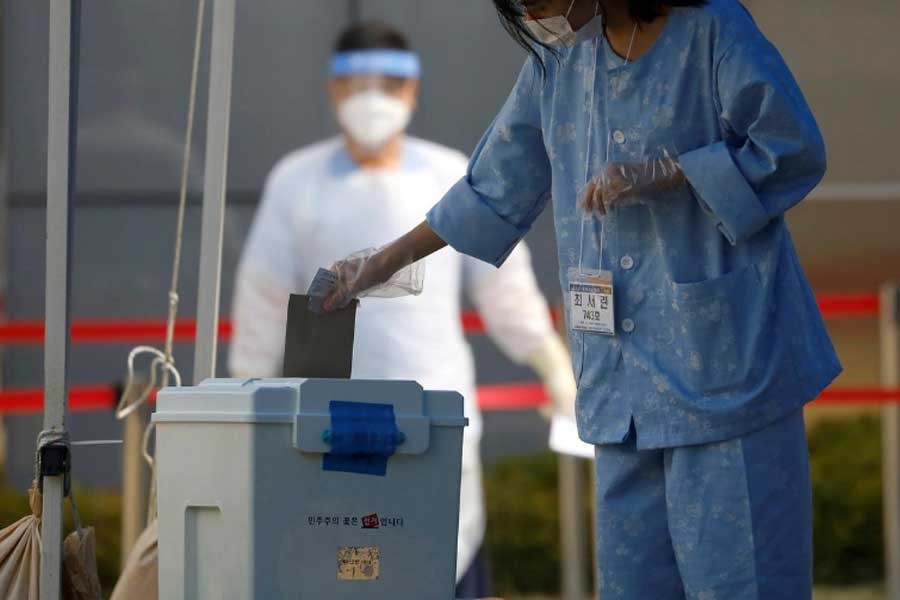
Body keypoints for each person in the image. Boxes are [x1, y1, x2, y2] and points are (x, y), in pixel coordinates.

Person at [321, 1, 842, 598]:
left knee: (744, 583)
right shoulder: (559, 61)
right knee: (630, 585)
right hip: (620, 390)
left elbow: (792, 148)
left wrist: (677, 173)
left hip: (727, 368)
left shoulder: (712, 29)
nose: (533, 14)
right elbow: (493, 183)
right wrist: (386, 259)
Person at [229, 20, 577, 599]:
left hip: (434, 420)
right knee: (339, 567)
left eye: (389, 83)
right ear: (333, 91)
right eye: (357, 83)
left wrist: (554, 367)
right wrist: (242, 403)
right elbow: (261, 307)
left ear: (413, 91)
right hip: (325, 426)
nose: (373, 97)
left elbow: (506, 292)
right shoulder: (296, 182)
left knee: (441, 559)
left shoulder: (448, 175)